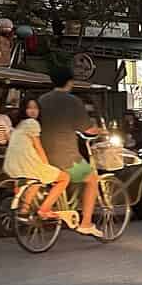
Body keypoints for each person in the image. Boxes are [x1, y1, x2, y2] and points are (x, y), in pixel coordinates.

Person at [39, 66, 104, 237]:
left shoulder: (42, 100)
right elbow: (87, 129)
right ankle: (86, 223)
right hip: (66, 156)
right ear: (70, 82)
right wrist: (101, 131)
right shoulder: (73, 101)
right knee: (91, 179)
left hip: (42, 154)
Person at [3, 98, 70, 218]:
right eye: (29, 108)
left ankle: (24, 209)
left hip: (12, 165)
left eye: (35, 108)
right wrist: (46, 164)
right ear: (24, 110)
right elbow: (38, 147)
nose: (33, 111)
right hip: (27, 162)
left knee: (37, 180)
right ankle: (44, 209)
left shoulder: (19, 125)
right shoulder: (32, 123)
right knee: (64, 178)